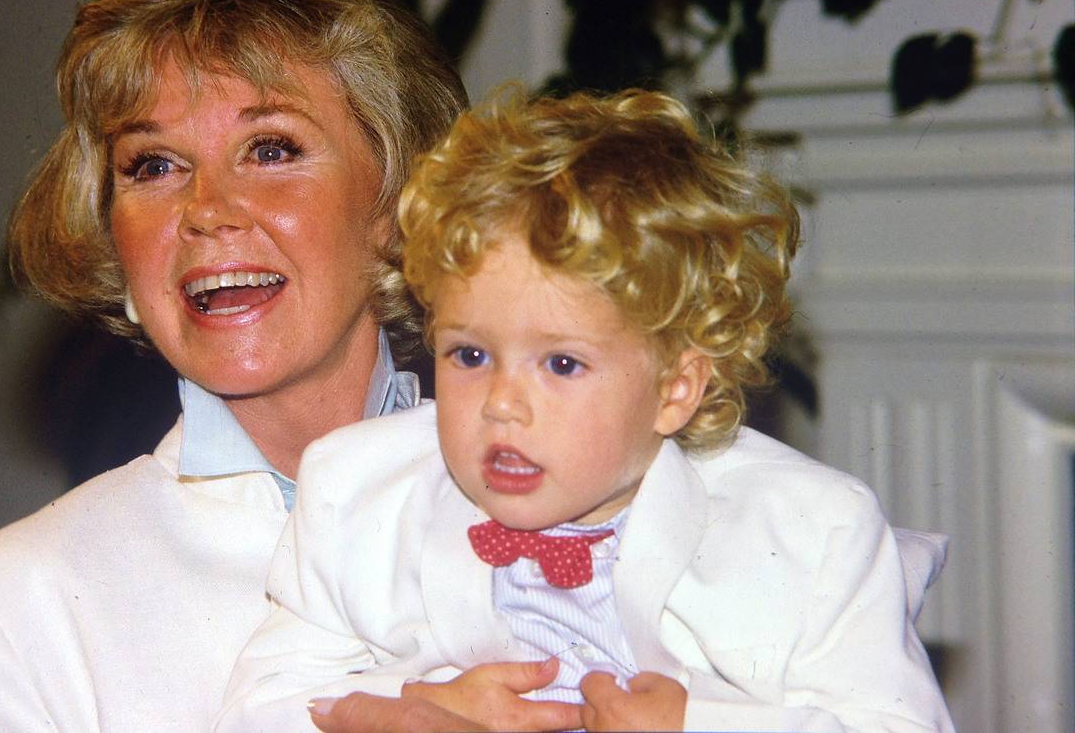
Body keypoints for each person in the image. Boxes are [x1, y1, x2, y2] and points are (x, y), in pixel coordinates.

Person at [0, 0, 510, 730]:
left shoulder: (589, 498)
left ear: (395, 202)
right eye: (154, 165)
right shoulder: (7, 615)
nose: (207, 210)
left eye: (271, 148)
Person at [215, 89, 956, 732]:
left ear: (675, 388)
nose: (502, 404)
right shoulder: (360, 492)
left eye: (562, 364)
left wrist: (696, 725)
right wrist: (409, 709)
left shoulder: (808, 531)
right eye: (469, 354)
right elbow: (258, 708)